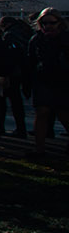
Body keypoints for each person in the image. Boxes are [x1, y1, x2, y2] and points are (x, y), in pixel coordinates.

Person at [26, 8, 69, 157]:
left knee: (62, 112)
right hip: (43, 79)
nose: (48, 26)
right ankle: (39, 149)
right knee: (42, 111)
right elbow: (31, 61)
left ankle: (40, 148)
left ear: (59, 23)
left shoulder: (65, 38)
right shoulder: (37, 39)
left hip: (62, 80)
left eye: (52, 23)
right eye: (44, 23)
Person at [1, 15, 34, 138]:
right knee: (17, 101)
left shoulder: (9, 35)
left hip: (13, 71)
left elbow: (9, 54)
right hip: (24, 69)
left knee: (12, 100)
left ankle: (19, 129)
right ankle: (21, 128)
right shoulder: (24, 32)